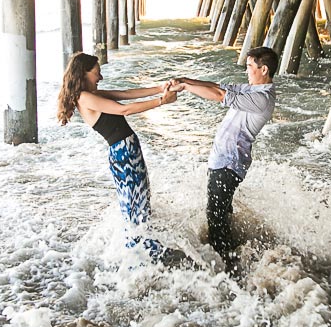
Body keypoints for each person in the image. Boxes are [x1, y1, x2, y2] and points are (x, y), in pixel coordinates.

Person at [168, 46, 278, 273]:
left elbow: (220, 96)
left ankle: (226, 270)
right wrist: (185, 79)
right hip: (222, 161)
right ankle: (232, 260)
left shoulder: (262, 99)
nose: (246, 70)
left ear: (263, 69)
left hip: (229, 163)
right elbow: (219, 87)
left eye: (250, 66)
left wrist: (186, 87)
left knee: (215, 218)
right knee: (221, 214)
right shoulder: (251, 89)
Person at [57, 52, 176, 261]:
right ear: (82, 74)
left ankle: (146, 255)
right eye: (96, 73)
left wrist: (160, 88)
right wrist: (161, 101)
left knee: (139, 205)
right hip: (124, 154)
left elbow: (126, 94)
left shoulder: (89, 94)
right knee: (135, 210)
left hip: (126, 152)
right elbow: (125, 110)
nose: (99, 77)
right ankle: (138, 261)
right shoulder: (85, 98)